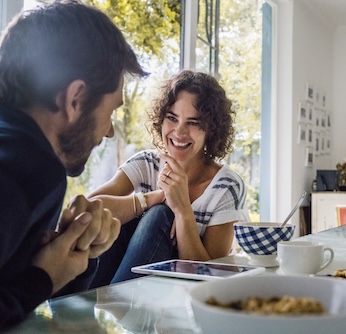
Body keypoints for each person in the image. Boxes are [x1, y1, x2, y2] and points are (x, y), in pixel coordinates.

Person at [0, 0, 147, 328]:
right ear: (75, 99)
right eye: (111, 110)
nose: (109, 130)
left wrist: (72, 259)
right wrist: (44, 277)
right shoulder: (32, 166)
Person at [88, 70, 250, 287]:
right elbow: (85, 211)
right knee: (130, 215)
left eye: (193, 122)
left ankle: (113, 309)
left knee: (159, 216)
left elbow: (208, 278)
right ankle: (94, 306)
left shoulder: (226, 186)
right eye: (172, 118)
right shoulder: (147, 164)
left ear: (211, 130)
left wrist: (182, 210)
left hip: (180, 297)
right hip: (112, 283)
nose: (179, 132)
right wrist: (155, 197)